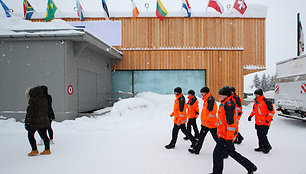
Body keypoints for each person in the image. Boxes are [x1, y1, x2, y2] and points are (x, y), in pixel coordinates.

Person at [211, 86, 257, 174]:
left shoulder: (229, 106)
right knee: (230, 153)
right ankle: (251, 166)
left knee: (217, 153)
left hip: (226, 136)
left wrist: (229, 140)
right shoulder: (224, 103)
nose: (219, 96)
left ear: (226, 95)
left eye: (221, 94)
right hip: (223, 134)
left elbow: (231, 125)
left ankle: (217, 172)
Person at [188, 87, 218, 155]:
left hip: (211, 124)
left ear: (205, 93)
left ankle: (225, 152)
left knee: (217, 139)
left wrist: (208, 121)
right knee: (201, 137)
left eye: (202, 92)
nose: (201, 94)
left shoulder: (210, 100)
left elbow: (212, 113)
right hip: (206, 124)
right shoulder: (207, 99)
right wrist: (204, 122)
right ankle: (196, 149)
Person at [25, 86, 51, 156]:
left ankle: (34, 150)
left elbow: (29, 112)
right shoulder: (44, 99)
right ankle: (47, 149)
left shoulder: (32, 100)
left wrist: (27, 122)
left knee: (30, 135)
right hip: (43, 120)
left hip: (34, 121)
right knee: (44, 135)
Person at [248, 89, 275, 154]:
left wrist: (267, 120)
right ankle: (261, 146)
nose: (255, 95)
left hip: (265, 123)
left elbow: (271, 112)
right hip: (258, 122)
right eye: (255, 94)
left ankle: (267, 147)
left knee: (263, 135)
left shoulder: (266, 101)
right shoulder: (256, 102)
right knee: (259, 135)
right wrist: (250, 116)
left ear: (260, 94)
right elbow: (254, 110)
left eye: (256, 94)